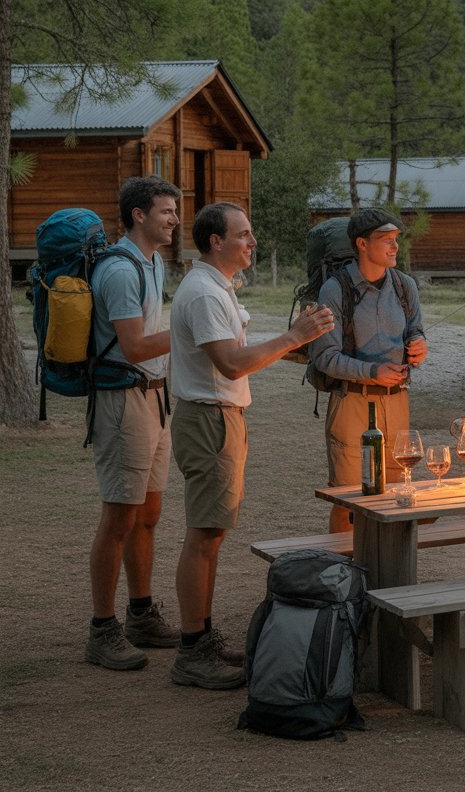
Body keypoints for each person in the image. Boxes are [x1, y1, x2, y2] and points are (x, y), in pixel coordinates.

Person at [169, 203, 334, 689]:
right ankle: (192, 651)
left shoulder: (215, 288)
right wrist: (292, 336)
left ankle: (200, 636)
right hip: (209, 420)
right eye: (243, 234)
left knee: (211, 533)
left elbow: (235, 357)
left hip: (218, 418)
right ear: (215, 241)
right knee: (204, 535)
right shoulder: (203, 293)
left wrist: (295, 343)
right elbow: (232, 364)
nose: (253, 241)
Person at [85, 176, 182, 671]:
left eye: (175, 211)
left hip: (154, 400)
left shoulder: (154, 262)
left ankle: (141, 614)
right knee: (119, 517)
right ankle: (102, 631)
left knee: (147, 514)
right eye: (166, 211)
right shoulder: (120, 271)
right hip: (123, 401)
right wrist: (189, 327)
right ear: (138, 215)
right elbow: (136, 347)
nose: (174, 219)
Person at [307, 207, 427, 533]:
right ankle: (342, 578)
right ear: (362, 244)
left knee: (395, 492)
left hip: (397, 402)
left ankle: (384, 578)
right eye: (385, 240)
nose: (394, 246)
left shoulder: (405, 286)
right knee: (348, 500)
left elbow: (416, 331)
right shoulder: (335, 290)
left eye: (396, 239)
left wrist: (418, 344)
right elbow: (325, 357)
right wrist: (372, 372)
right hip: (352, 403)